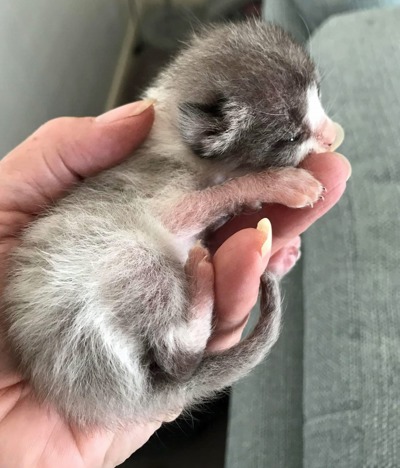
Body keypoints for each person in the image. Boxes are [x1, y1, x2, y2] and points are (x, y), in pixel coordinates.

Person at [0, 100, 351, 467]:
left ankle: (186, 340)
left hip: (100, 365)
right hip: (83, 333)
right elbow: (175, 220)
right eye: (292, 135)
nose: (330, 137)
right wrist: (256, 186)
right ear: (211, 134)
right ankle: (185, 340)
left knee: (184, 263)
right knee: (140, 257)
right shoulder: (162, 163)